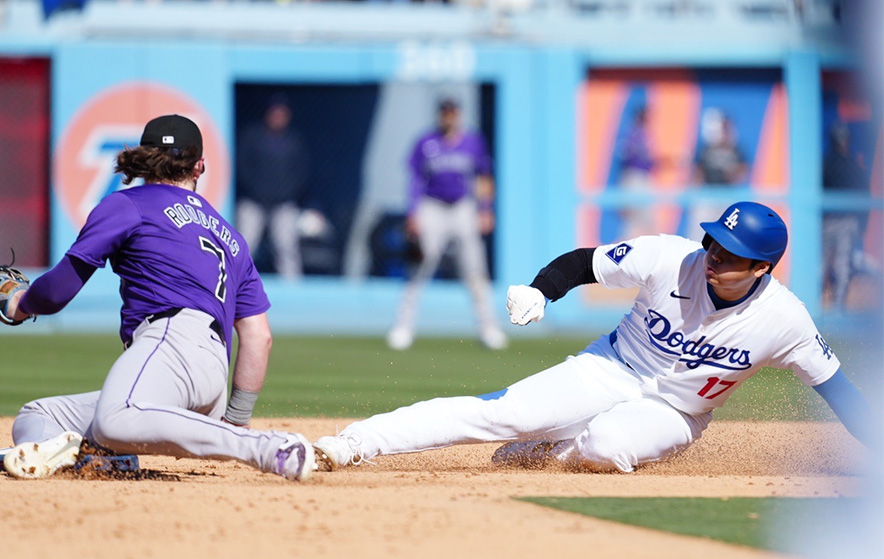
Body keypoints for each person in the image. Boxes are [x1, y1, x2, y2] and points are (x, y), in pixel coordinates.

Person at [313, 201, 877, 472]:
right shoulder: (671, 257)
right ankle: (358, 442)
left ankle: (549, 452)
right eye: (712, 243)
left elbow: (841, 392)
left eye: (731, 256)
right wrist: (541, 290)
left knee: (606, 446)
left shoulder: (787, 321)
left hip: (675, 413)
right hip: (610, 367)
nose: (713, 258)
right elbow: (586, 261)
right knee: (500, 413)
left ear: (762, 268)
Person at [0, 114, 314, 481]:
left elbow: (58, 291)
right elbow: (258, 337)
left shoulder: (129, 204)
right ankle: (97, 460)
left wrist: (19, 302)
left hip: (172, 342)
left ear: (143, 159)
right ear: (199, 166)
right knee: (38, 416)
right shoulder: (231, 237)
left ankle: (268, 448)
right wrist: (235, 415)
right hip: (207, 377)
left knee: (113, 418)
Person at [387, 97, 507, 351]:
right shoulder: (426, 142)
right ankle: (403, 327)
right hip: (432, 206)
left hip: (462, 206)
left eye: (453, 112)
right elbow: (416, 180)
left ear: (459, 115)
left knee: (475, 269)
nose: (449, 116)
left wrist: (485, 209)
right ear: (440, 115)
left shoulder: (472, 142)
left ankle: (488, 328)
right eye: (445, 112)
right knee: (420, 265)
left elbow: (483, 176)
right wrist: (413, 213)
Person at [236, 95, 310, 280]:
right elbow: (242, 167)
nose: (278, 117)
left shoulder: (294, 141)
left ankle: (293, 290)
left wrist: (287, 194)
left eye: (282, 113)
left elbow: (301, 173)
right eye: (275, 113)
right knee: (244, 246)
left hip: (283, 203)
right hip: (254, 202)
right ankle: (235, 286)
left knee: (287, 248)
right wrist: (255, 191)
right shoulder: (253, 136)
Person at [822, 121, 869, 311]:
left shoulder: (852, 166)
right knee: (826, 264)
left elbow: (863, 196)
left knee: (838, 265)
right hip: (831, 220)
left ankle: (836, 305)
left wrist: (862, 224)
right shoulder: (828, 164)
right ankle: (831, 305)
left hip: (841, 220)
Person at [692, 110, 749, 186]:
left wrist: (735, 176)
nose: (725, 132)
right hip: (708, 189)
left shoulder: (736, 150)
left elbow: (742, 170)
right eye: (723, 128)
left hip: (729, 190)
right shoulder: (705, 150)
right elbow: (698, 172)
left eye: (727, 129)